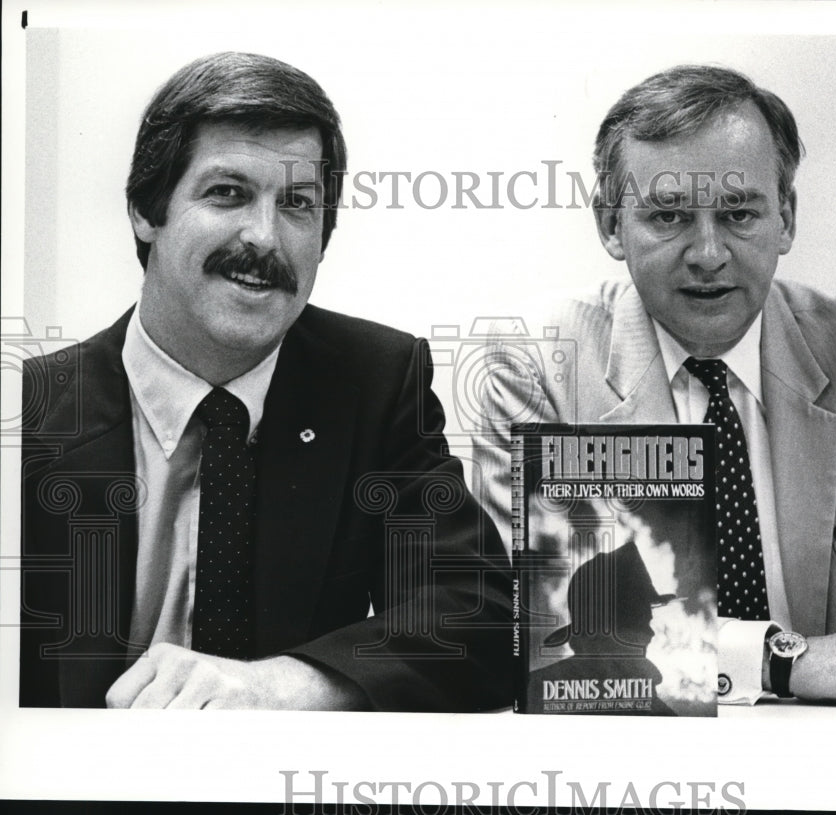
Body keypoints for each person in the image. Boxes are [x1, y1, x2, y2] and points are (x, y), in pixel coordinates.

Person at [473, 65, 836, 720]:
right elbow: (543, 630)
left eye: (738, 213)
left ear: (786, 218)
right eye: (669, 215)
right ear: (611, 225)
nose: (708, 253)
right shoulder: (537, 360)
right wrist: (780, 658)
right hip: (628, 760)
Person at [20, 51, 511, 711]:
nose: (264, 236)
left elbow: (479, 616)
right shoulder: (31, 410)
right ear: (145, 209)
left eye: (297, 204)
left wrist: (285, 685)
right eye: (228, 192)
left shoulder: (373, 382)